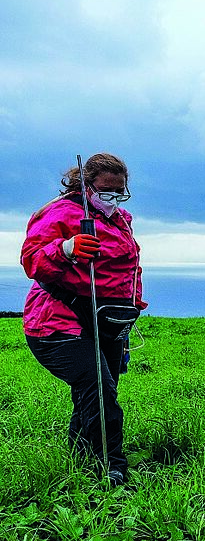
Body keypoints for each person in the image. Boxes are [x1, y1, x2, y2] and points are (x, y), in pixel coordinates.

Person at [21, 153, 146, 486]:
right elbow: (33, 261)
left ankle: (79, 459)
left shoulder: (120, 219)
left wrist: (132, 305)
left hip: (107, 323)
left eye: (120, 191)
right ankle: (113, 468)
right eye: (106, 191)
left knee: (94, 391)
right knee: (99, 389)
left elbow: (129, 268)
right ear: (85, 184)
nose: (113, 198)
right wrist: (65, 249)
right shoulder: (59, 214)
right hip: (57, 322)